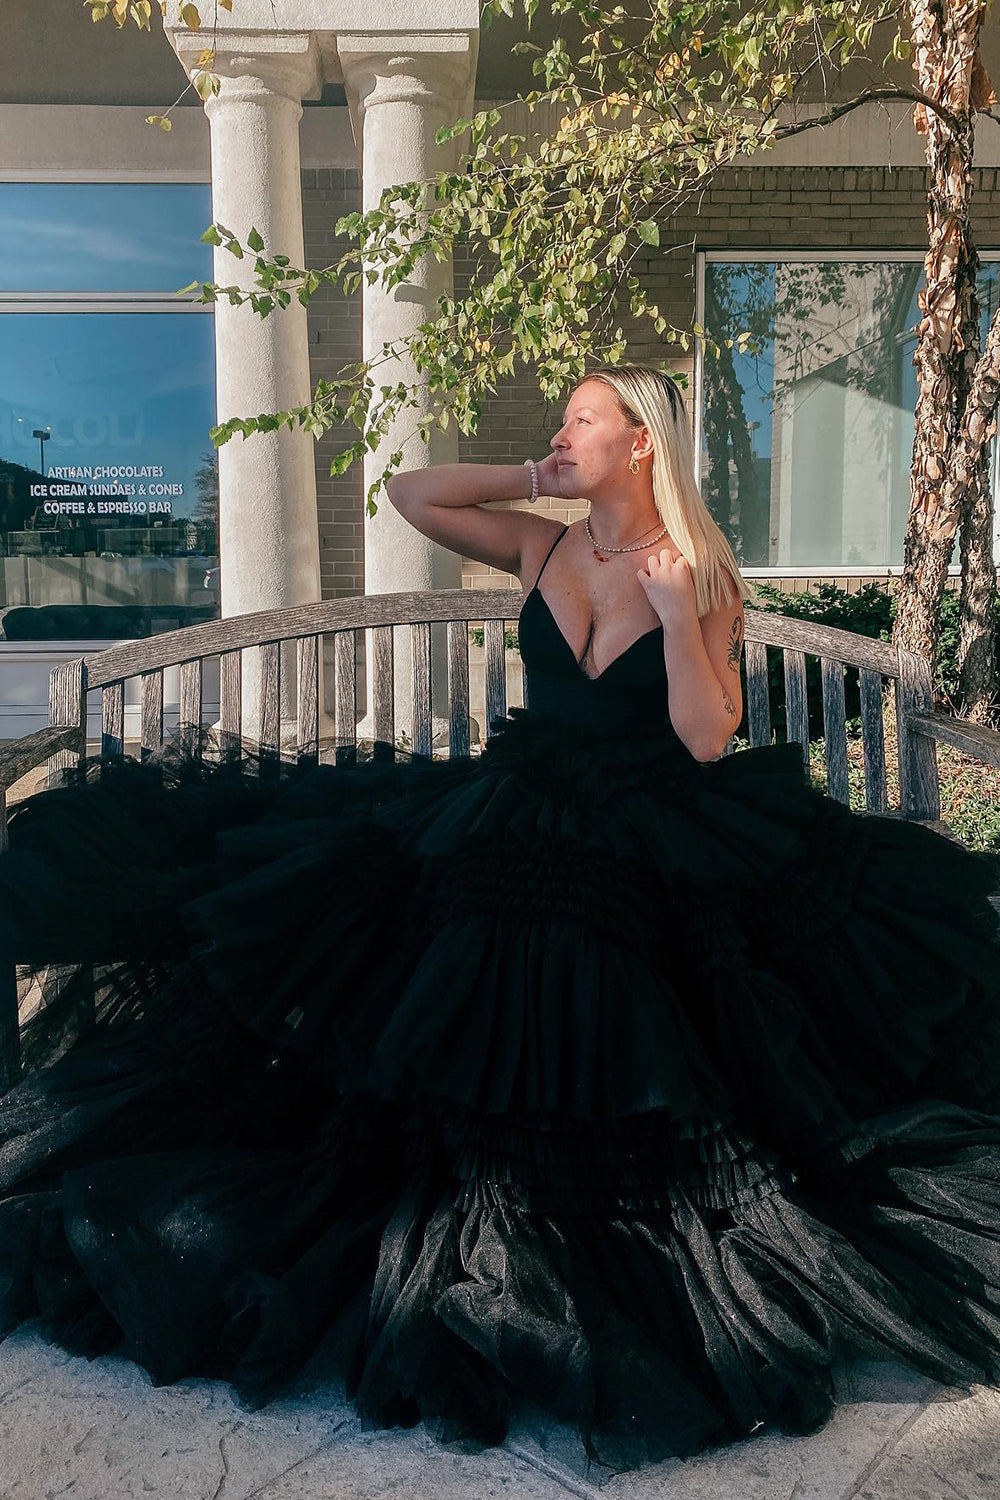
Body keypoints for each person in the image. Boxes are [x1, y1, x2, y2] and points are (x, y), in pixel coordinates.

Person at [0, 362, 999, 1479]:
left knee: (580, 964)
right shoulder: (543, 542)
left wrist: (675, 618)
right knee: (393, 937)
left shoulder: (696, 570)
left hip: (649, 825)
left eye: (584, 421)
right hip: (516, 803)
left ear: (642, 443)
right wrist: (538, 474)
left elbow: (708, 737)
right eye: (561, 423)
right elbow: (414, 497)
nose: (563, 435)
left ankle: (562, 1213)